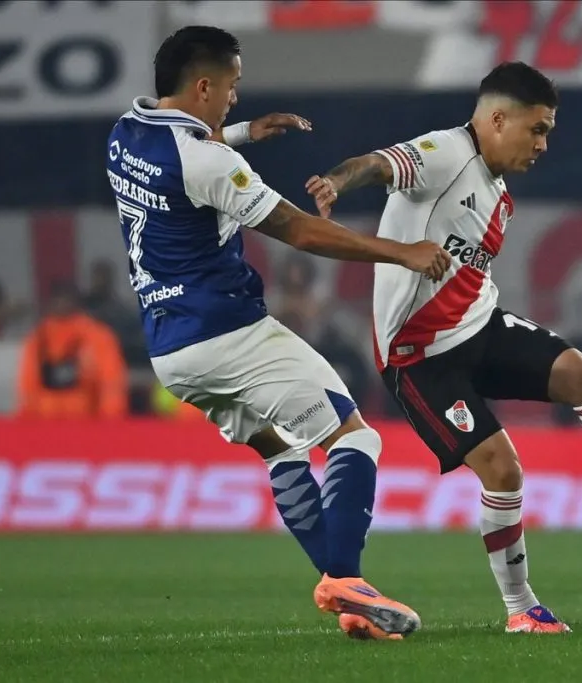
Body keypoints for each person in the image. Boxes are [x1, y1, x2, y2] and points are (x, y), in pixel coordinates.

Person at [306, 61, 582, 634]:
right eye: (537, 129)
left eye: (548, 132)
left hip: (479, 327)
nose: (544, 144)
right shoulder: (447, 153)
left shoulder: (498, 193)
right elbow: (380, 164)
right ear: (497, 119)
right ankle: (520, 608)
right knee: (503, 472)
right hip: (420, 357)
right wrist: (336, 181)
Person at [106, 25, 451, 640]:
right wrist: (402, 253)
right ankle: (343, 577)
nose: (236, 99)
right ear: (204, 85)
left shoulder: (125, 134)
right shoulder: (210, 161)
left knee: (281, 449)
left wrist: (244, 133)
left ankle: (350, 600)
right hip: (229, 332)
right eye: (232, 88)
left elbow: (186, 156)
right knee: (354, 436)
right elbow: (300, 231)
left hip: (170, 349)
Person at [17, 283, 128, 420]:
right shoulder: (37, 339)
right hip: (46, 424)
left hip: (86, 424)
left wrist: (110, 423)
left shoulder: (98, 336)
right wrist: (27, 425)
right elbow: (28, 387)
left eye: (65, 298)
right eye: (58, 298)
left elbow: (111, 383)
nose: (62, 303)